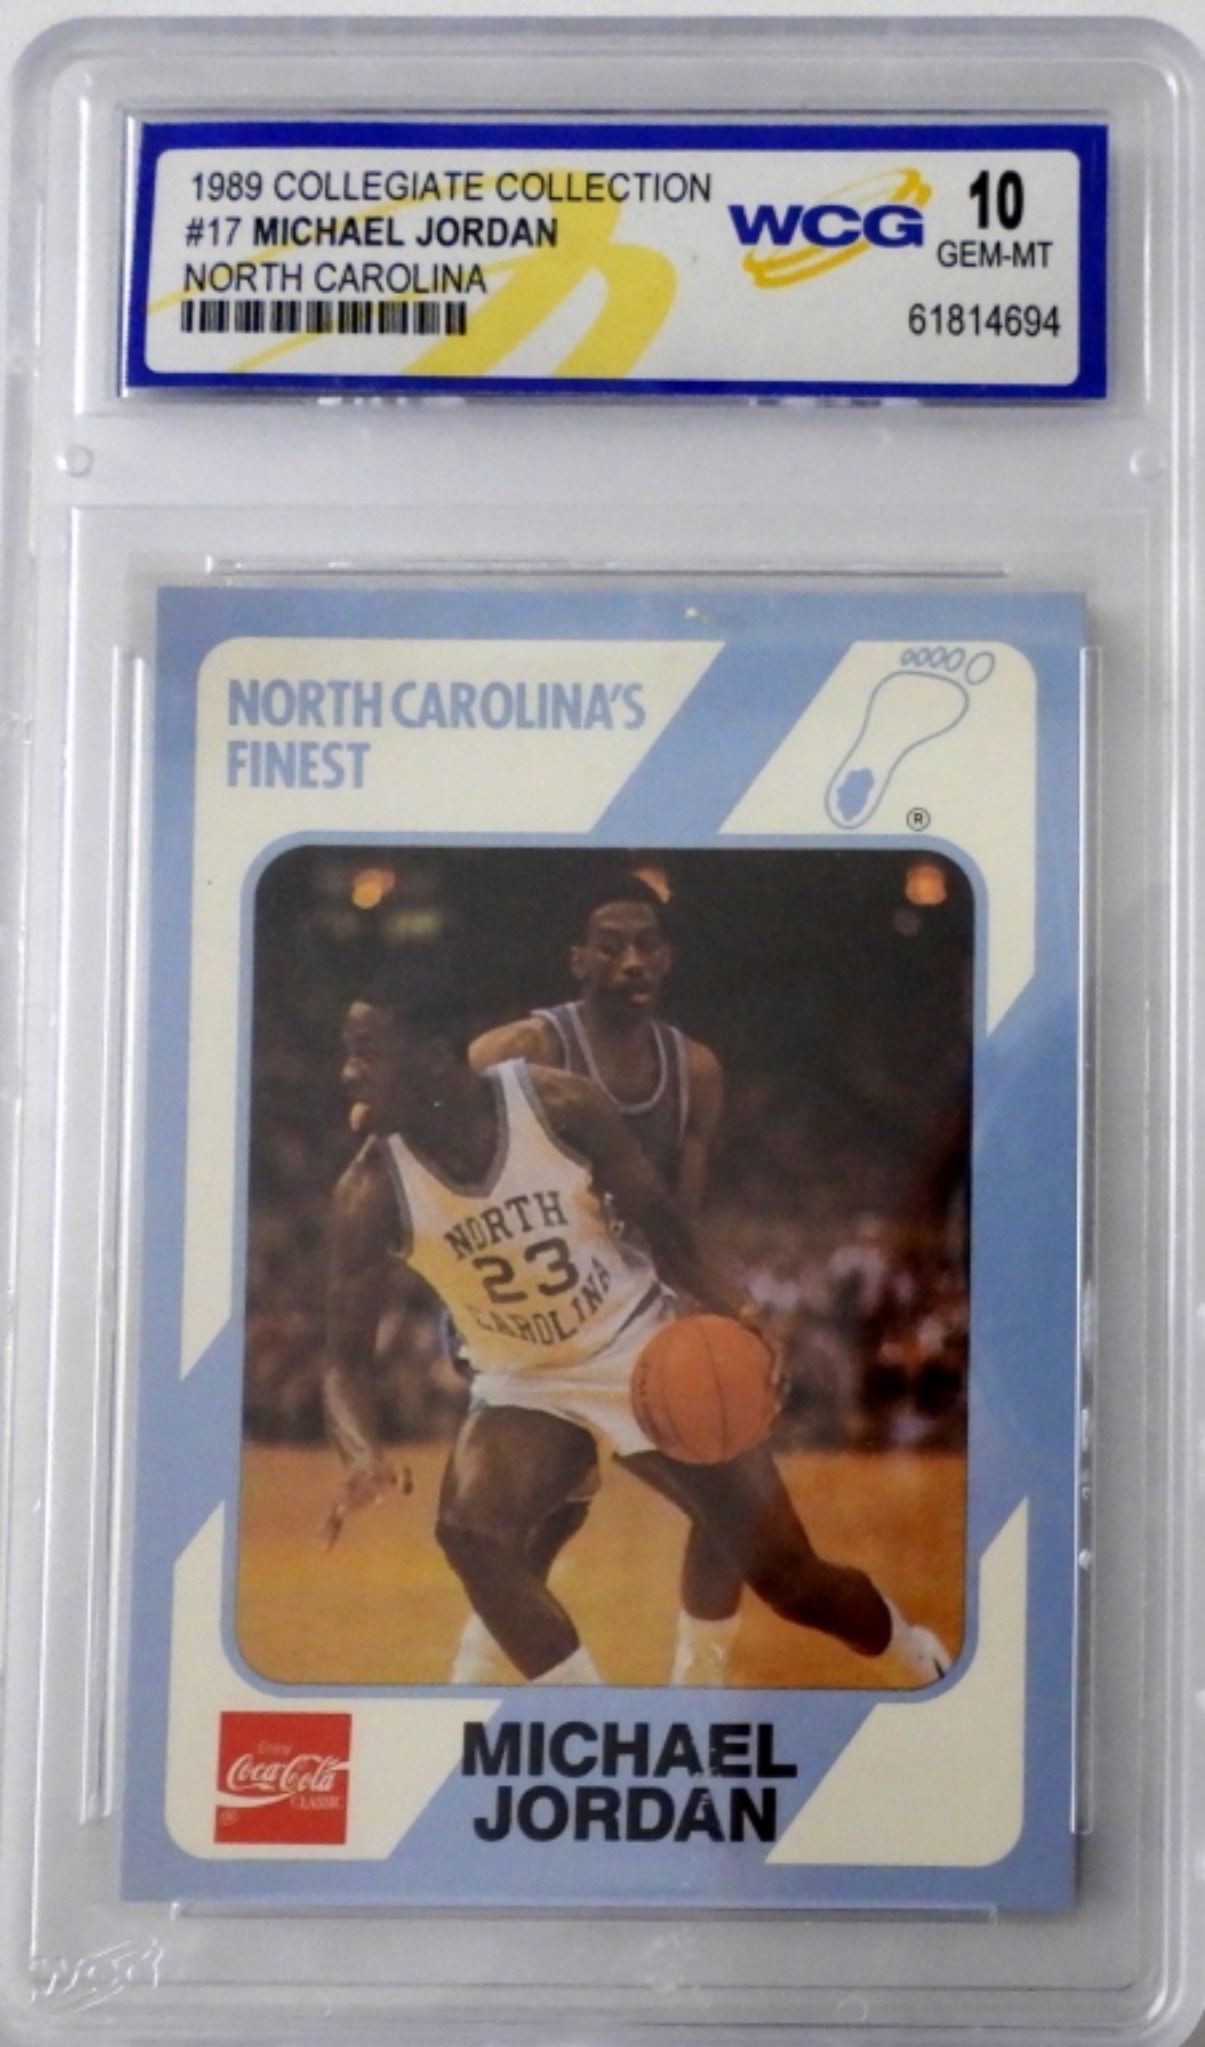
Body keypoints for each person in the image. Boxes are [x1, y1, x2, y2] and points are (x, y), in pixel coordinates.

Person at [322, 966, 950, 1689]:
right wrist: (361, 1453)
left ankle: (916, 1654)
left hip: (641, 1349)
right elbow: (344, 1360)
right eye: (348, 1053)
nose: (349, 1073)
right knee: (470, 1531)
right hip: (527, 1385)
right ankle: (592, 1720)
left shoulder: (555, 1105)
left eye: (368, 1053)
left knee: (791, 1581)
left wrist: (742, 1312)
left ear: (434, 1054)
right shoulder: (368, 1191)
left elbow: (665, 1227)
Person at [458, 872, 742, 1685]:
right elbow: (443, 1121)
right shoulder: (524, 1048)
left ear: (668, 956)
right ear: (577, 958)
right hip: (532, 1308)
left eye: (646, 944)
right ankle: (468, 1679)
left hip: (632, 1308)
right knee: (537, 1519)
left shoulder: (696, 1069)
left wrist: (715, 1310)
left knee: (734, 1499)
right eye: (610, 945)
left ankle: (699, 1686)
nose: (631, 960)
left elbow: (680, 1217)